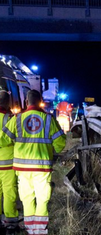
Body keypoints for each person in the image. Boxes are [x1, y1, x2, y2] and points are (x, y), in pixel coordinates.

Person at [0, 90, 66, 235]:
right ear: (40, 100)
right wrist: (52, 149)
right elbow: (61, 143)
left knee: (27, 198)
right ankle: (40, 230)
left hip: (22, 169)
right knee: (42, 199)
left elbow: (2, 139)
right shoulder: (49, 119)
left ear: (26, 102)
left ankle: (30, 229)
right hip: (42, 167)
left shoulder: (17, 119)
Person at [0, 91, 19, 233]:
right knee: (9, 192)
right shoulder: (10, 119)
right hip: (6, 163)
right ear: (7, 103)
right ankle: (10, 222)